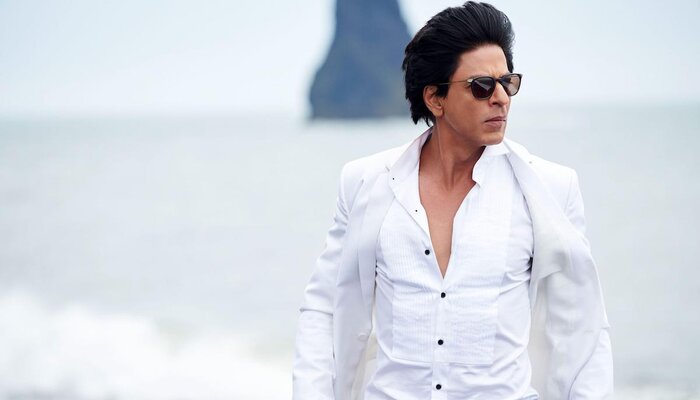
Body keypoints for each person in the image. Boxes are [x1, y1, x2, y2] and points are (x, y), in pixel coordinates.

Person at [292, 2, 613, 399]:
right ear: (435, 98)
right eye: (482, 86)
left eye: (508, 82)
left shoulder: (551, 188)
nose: (501, 98)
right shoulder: (365, 183)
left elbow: (583, 330)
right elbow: (324, 310)